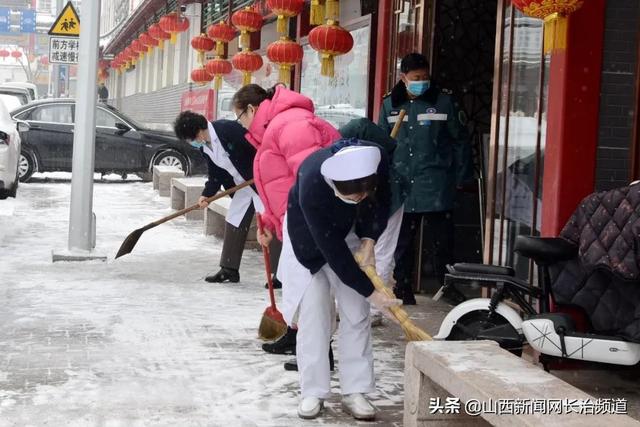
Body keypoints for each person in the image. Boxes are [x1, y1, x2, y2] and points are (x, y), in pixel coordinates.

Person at [280, 139, 402, 420]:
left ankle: (355, 391)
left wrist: (369, 238)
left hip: (350, 231)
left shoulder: (375, 159)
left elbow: (381, 201)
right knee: (315, 313)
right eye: (351, 196)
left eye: (362, 195)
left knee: (357, 312)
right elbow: (333, 253)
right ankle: (313, 391)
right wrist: (375, 294)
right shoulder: (311, 181)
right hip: (308, 238)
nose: (358, 199)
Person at [232, 83, 341, 354]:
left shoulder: (291, 124)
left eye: (240, 117)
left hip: (313, 222)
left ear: (252, 109)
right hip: (299, 221)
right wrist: (271, 222)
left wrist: (306, 227)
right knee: (302, 288)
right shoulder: (276, 129)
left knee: (310, 290)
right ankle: (306, 344)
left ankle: (316, 352)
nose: (241, 125)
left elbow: (312, 177)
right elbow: (281, 184)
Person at [378, 52, 473, 304]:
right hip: (403, 184)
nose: (422, 81)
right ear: (403, 78)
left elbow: (460, 141)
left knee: (442, 242)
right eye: (416, 77)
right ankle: (403, 288)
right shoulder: (390, 103)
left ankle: (447, 286)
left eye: (425, 77)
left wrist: (463, 177)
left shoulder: (443, 102)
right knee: (403, 243)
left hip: (436, 184)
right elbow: (381, 143)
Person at [173, 111, 281, 285]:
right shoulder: (206, 146)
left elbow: (258, 148)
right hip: (243, 186)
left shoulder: (227, 130)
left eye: (190, 138)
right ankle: (229, 269)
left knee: (270, 224)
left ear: (199, 131)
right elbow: (216, 173)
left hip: (260, 182)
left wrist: (265, 171)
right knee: (235, 218)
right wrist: (207, 194)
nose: (191, 142)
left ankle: (279, 274)